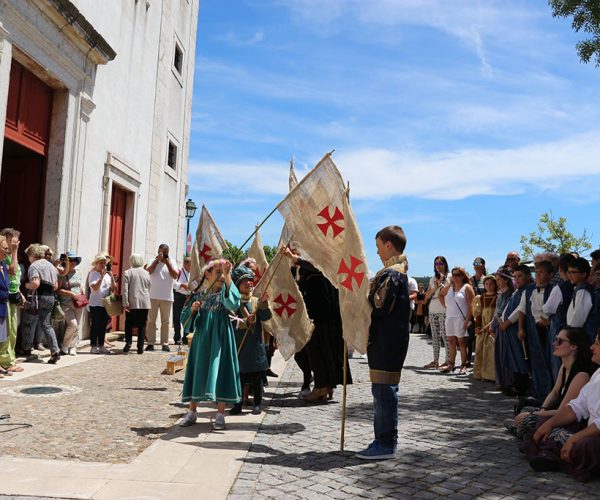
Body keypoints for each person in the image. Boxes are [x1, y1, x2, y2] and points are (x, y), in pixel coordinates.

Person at [356, 225, 410, 460]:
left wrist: (358, 296)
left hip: (387, 342)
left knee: (384, 392)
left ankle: (386, 443)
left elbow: (379, 306)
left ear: (389, 245)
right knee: (382, 391)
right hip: (388, 340)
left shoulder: (393, 274)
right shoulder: (394, 272)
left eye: (379, 246)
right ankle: (383, 438)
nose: (377, 252)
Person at [521, 330, 600, 482]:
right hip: (589, 430)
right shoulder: (597, 374)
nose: (592, 347)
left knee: (586, 445)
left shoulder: (583, 374)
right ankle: (555, 452)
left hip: (593, 435)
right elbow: (575, 407)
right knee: (545, 424)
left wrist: (574, 438)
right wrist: (550, 424)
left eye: (597, 344)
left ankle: (554, 454)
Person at [179, 258, 241, 430]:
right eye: (218, 273)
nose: (221, 276)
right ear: (207, 274)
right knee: (198, 369)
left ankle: (220, 414)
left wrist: (228, 276)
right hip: (202, 339)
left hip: (221, 339)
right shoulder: (198, 296)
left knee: (220, 370)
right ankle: (192, 411)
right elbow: (186, 323)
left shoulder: (224, 294)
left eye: (224, 273)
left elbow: (234, 303)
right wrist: (193, 311)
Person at [283, 246, 350, 402]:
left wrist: (295, 258)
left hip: (324, 315)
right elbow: (298, 285)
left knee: (321, 350)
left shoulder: (324, 263)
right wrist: (294, 265)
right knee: (318, 351)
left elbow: (318, 266)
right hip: (318, 313)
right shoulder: (310, 270)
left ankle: (322, 387)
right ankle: (326, 386)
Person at [505, 327, 595, 440]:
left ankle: (523, 432)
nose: (554, 343)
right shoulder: (564, 367)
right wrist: (542, 409)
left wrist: (536, 415)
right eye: (556, 339)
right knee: (524, 407)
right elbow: (555, 392)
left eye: (559, 341)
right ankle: (524, 432)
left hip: (569, 420)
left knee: (529, 419)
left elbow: (563, 411)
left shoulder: (581, 375)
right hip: (558, 412)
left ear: (574, 346)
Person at [229, 265, 272, 415]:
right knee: (239, 378)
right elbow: (232, 320)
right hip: (240, 346)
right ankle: (237, 404)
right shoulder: (233, 302)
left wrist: (264, 304)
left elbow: (266, 317)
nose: (249, 283)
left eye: (250, 280)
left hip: (255, 347)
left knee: (257, 378)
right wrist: (246, 321)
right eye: (245, 281)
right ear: (237, 284)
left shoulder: (256, 301)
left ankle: (257, 404)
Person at [518, 259, 555, 400]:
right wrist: (520, 328)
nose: (538, 275)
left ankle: (550, 392)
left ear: (550, 274)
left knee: (549, 361)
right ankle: (538, 392)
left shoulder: (553, 290)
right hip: (533, 329)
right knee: (536, 360)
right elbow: (522, 309)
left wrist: (549, 322)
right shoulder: (528, 291)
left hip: (549, 329)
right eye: (537, 272)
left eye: (541, 272)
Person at [21, 244, 60, 364]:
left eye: (29, 256)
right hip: (50, 297)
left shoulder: (34, 265)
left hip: (37, 297)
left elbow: (35, 283)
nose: (28, 258)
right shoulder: (52, 267)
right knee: (46, 324)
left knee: (29, 321)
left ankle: (26, 348)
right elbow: (55, 286)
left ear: (32, 255)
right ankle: (55, 350)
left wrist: (25, 285)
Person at [498, 264, 532, 396]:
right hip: (508, 329)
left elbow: (520, 309)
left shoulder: (527, 290)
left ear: (528, 276)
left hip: (514, 328)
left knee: (519, 356)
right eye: (515, 277)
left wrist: (508, 321)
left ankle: (520, 386)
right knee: (512, 357)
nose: (516, 279)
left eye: (520, 276)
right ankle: (513, 383)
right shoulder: (518, 291)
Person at [544, 253, 577, 381]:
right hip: (574, 330)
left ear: (560, 270)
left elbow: (548, 309)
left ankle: (559, 391)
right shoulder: (578, 286)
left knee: (558, 361)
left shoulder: (560, 287)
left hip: (559, 326)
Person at [439, 267, 475, 375]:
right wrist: (446, 306)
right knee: (451, 341)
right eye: (454, 275)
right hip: (450, 317)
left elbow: (471, 305)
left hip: (461, 318)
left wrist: (467, 320)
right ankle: (451, 364)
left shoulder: (467, 287)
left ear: (463, 276)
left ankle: (464, 365)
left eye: (458, 275)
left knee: (462, 343)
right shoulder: (450, 287)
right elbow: (440, 294)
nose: (455, 277)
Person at [145, 244, 178, 352]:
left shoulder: (172, 262)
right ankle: (150, 343)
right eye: (160, 252)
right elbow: (148, 271)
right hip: (153, 295)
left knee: (165, 322)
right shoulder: (152, 260)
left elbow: (175, 275)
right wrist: (156, 261)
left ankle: (165, 343)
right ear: (158, 251)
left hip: (166, 296)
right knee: (151, 321)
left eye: (164, 252)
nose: (162, 254)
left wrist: (167, 263)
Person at [0, 228, 24, 373]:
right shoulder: (6, 257)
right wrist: (14, 251)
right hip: (5, 297)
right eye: (14, 239)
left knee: (13, 329)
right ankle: (6, 361)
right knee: (6, 331)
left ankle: (10, 358)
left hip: (13, 294)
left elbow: (13, 278)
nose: (16, 242)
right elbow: (13, 270)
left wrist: (19, 292)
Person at [423, 256, 450, 369]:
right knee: (434, 337)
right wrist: (435, 286)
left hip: (444, 309)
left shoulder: (450, 277)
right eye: (436, 264)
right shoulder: (432, 278)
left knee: (445, 336)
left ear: (445, 264)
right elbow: (427, 296)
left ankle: (448, 361)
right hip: (433, 309)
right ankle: (435, 361)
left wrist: (443, 282)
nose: (438, 266)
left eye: (440, 263)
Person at [122, 254, 151, 354]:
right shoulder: (147, 273)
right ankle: (140, 347)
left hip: (132, 302)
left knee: (129, 323)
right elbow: (149, 287)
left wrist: (125, 302)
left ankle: (128, 342)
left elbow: (125, 289)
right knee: (142, 325)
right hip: (144, 302)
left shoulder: (128, 272)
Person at [56, 251, 83, 356]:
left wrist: (82, 295)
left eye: (74, 260)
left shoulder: (78, 272)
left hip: (78, 302)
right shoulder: (62, 274)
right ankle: (65, 345)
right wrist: (70, 293)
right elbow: (58, 290)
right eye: (70, 260)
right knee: (73, 324)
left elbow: (79, 285)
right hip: (66, 303)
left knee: (77, 326)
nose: (73, 262)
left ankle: (73, 347)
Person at [492, 267, 515, 390]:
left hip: (505, 326)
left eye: (499, 279)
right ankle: (500, 380)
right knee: (499, 354)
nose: (498, 282)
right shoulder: (501, 294)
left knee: (505, 354)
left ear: (506, 280)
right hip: (499, 326)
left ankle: (507, 380)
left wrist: (499, 320)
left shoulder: (509, 294)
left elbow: (503, 311)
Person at [88, 253, 116, 354]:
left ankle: (101, 345)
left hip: (105, 304)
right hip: (95, 303)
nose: (103, 265)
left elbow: (113, 289)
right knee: (95, 325)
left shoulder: (108, 275)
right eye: (101, 263)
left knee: (103, 326)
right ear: (96, 264)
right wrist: (101, 277)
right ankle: (93, 346)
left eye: (104, 263)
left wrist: (112, 278)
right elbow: (95, 288)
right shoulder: (93, 274)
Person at [472, 275, 498, 381]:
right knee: (480, 348)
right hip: (483, 324)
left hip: (492, 324)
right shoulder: (481, 297)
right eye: (486, 284)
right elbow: (478, 313)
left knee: (491, 350)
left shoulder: (498, 297)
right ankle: (479, 372)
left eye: (491, 284)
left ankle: (490, 374)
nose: (488, 286)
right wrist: (478, 326)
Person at [173, 255, 191, 345]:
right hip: (179, 296)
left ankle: (185, 337)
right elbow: (173, 284)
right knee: (177, 317)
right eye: (191, 264)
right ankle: (177, 337)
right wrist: (181, 285)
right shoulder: (178, 272)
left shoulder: (192, 274)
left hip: (188, 298)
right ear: (186, 264)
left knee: (187, 317)